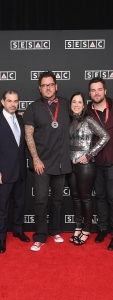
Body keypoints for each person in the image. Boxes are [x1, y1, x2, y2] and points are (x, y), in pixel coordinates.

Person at [23, 71, 72, 252]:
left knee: (58, 200)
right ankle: (40, 236)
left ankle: (55, 230)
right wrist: (35, 159)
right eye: (44, 85)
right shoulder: (33, 107)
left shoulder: (66, 104)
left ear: (56, 86)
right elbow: (28, 134)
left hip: (61, 162)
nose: (47, 88)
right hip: (42, 163)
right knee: (41, 200)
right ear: (39, 88)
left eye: (50, 84)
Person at [0, 90, 29, 253]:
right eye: (9, 101)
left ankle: (18, 230)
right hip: (3, 172)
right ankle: (2, 237)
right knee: (2, 207)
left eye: (15, 101)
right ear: (3, 102)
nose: (13, 104)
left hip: (20, 171)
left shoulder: (20, 119)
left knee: (19, 204)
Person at [67, 92, 109, 245]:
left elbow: (105, 136)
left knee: (85, 198)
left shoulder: (89, 120)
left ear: (83, 105)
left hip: (85, 166)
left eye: (79, 102)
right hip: (71, 165)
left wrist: (90, 154)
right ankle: (78, 227)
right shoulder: (70, 122)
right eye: (74, 102)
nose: (76, 105)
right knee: (76, 198)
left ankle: (86, 229)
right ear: (70, 105)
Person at [87, 77, 113, 250]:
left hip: (112, 160)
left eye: (99, 89)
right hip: (96, 162)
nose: (97, 93)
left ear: (105, 91)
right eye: (93, 90)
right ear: (90, 93)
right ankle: (103, 229)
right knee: (101, 197)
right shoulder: (87, 111)